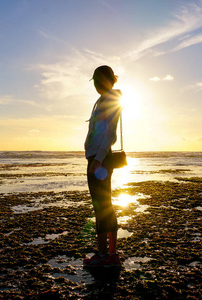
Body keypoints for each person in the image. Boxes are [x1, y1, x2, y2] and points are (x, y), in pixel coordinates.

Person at [83, 65, 123, 267]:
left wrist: (97, 159)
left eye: (97, 81)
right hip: (97, 157)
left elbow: (110, 134)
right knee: (105, 204)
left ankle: (103, 255)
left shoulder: (110, 100)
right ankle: (111, 254)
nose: (96, 85)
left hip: (100, 159)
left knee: (101, 206)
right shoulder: (103, 100)